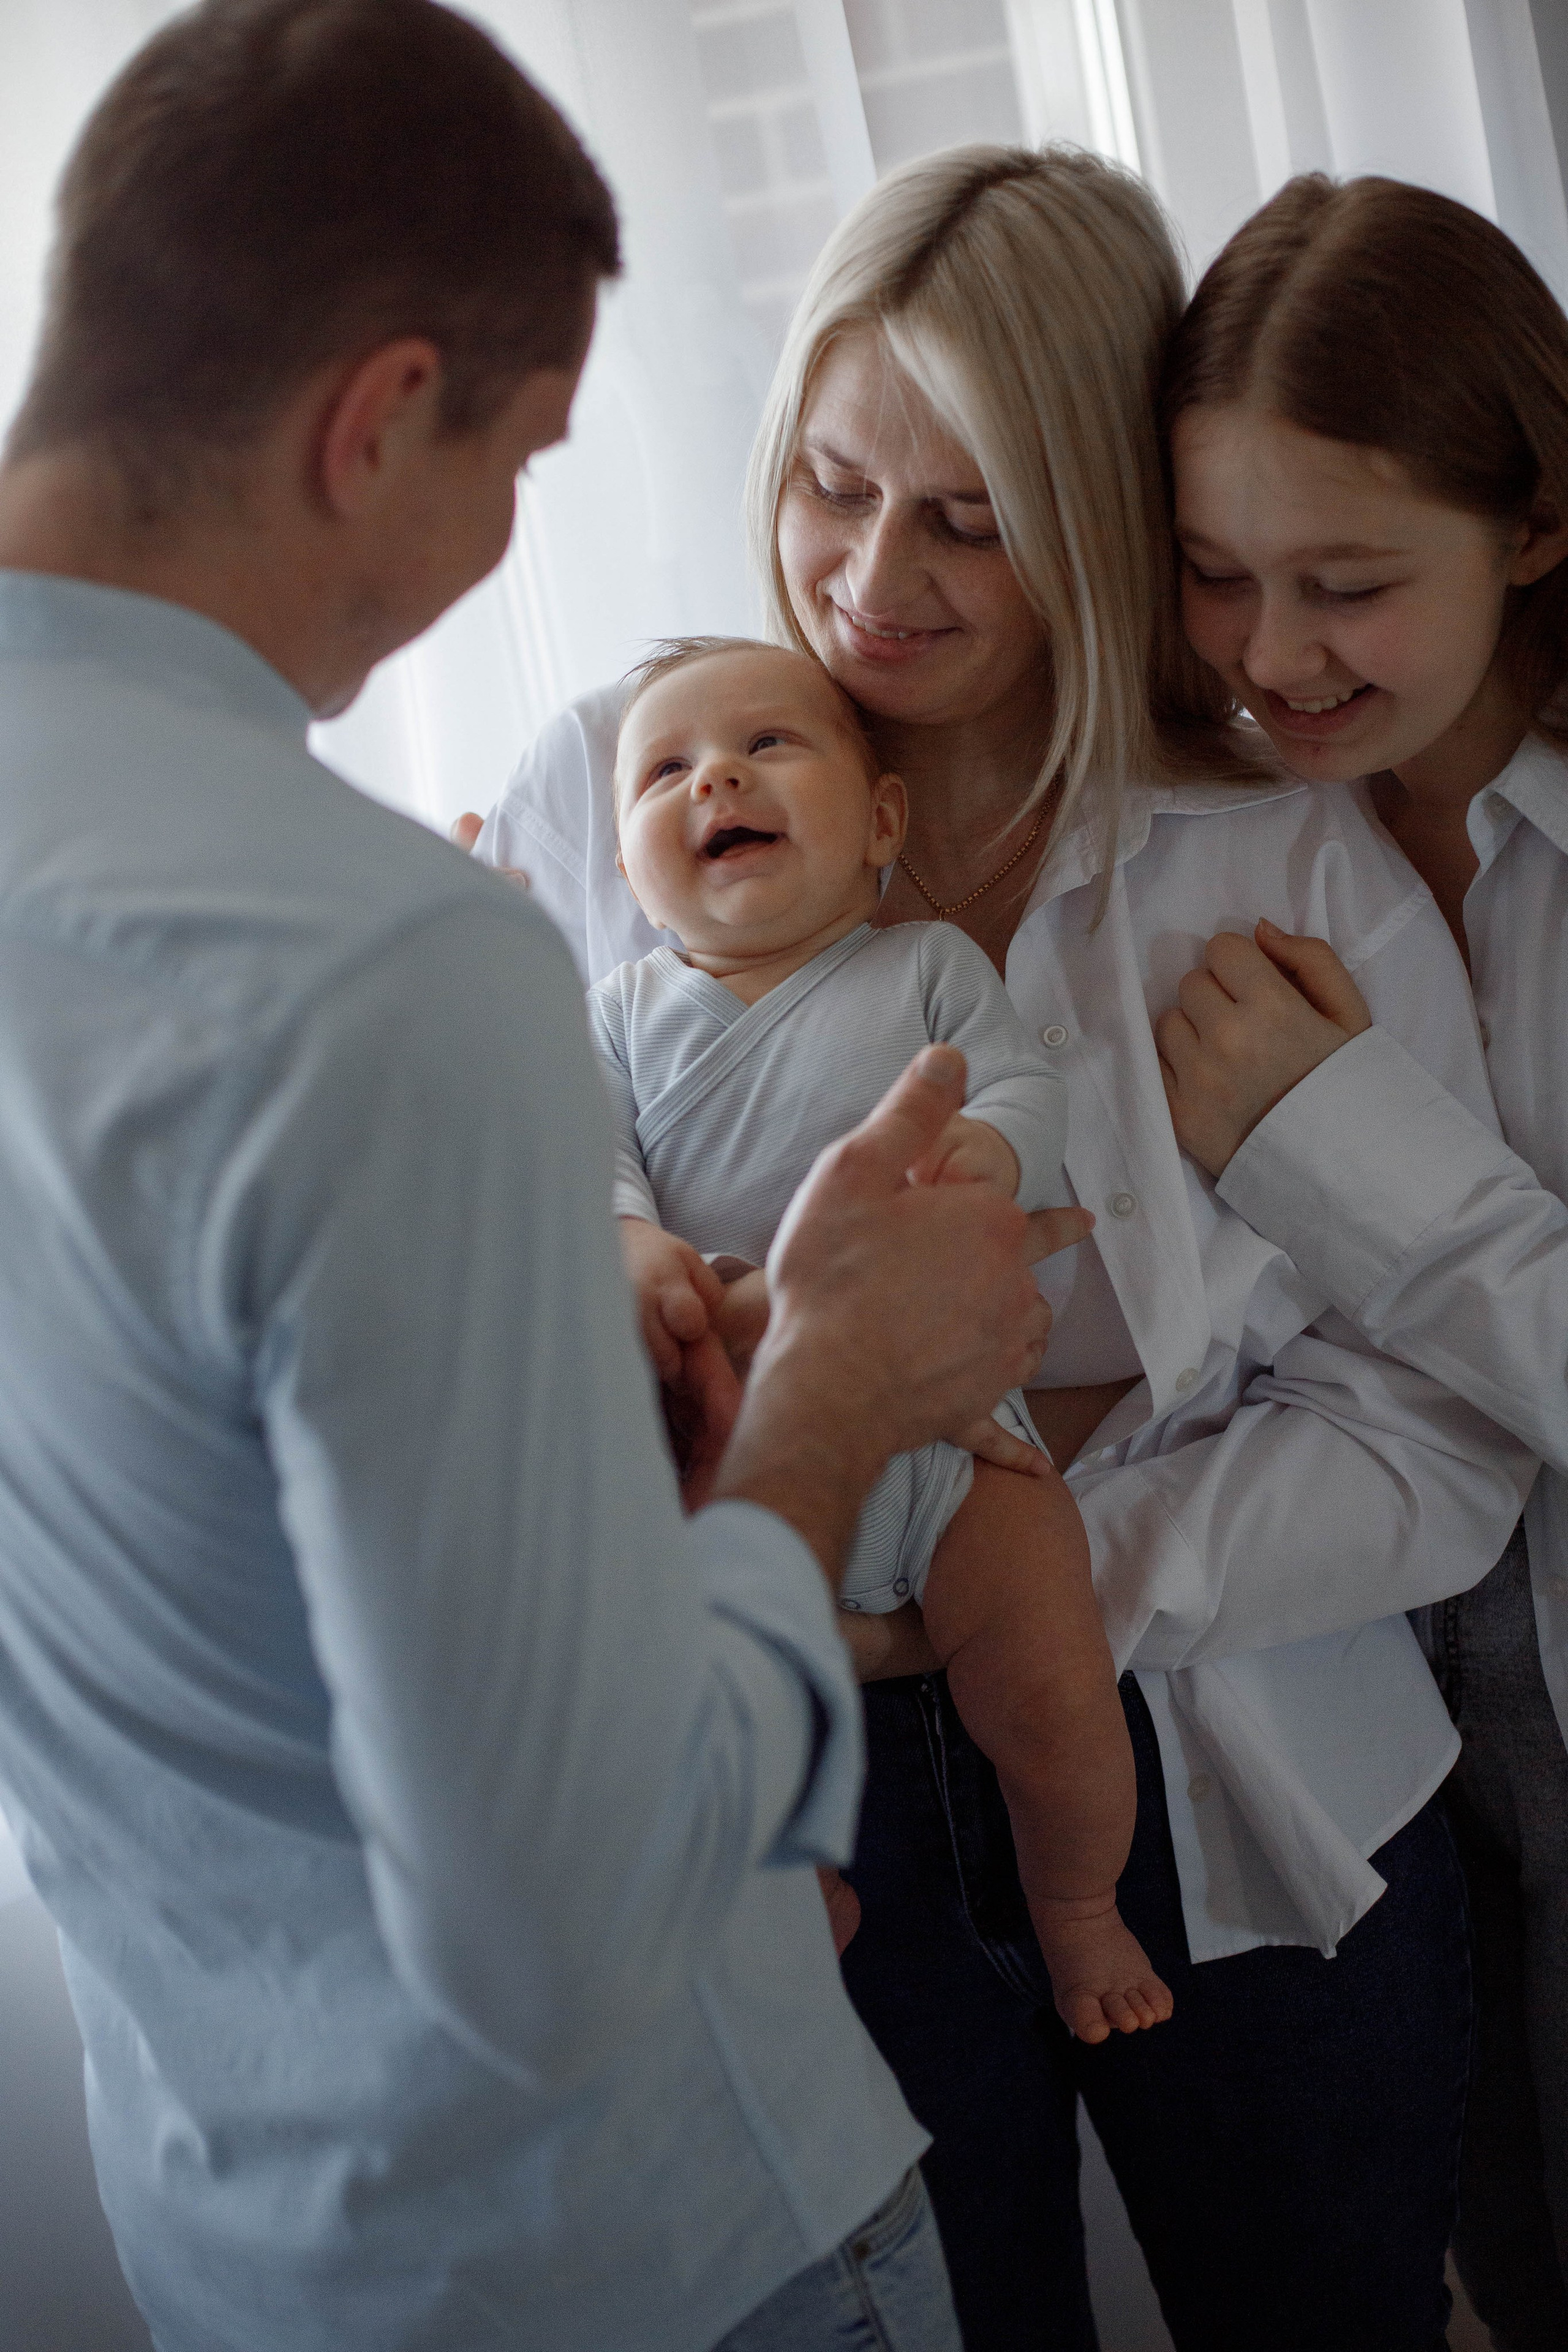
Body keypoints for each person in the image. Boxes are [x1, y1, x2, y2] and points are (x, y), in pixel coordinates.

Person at [0, 8, 1074, 2349]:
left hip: (246, 2227)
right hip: (650, 2235)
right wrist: (828, 1405)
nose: (501, 551)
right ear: (380, 417)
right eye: (518, 463)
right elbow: (557, 1932)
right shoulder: (384, 962)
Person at [470, 143, 1536, 2351]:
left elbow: (1438, 1439)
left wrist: (1034, 1575)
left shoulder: (1284, 860)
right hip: (802, 1797)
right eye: (833, 486)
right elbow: (498, 1176)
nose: (873, 581)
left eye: (972, 519)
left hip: (1254, 1790)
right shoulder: (614, 776)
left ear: (1102, 516)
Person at [1153, 175, 1568, 2352]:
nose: (1271, 656)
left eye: (1347, 584)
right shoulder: (1218, 843)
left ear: (1534, 524)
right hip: (1398, 1773)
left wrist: (1341, 1158)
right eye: (1219, 574)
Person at [600, 631, 1174, 2042]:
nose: (713, 776)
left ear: (881, 823)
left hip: (960, 1436)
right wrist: (625, 1239)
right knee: (710, 1707)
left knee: (1054, 1684)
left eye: (765, 745)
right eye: (664, 769)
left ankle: (1077, 1901)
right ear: (623, 867)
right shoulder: (616, 1018)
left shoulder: (922, 968)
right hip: (747, 1444)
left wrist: (985, 1148)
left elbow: (1021, 1087)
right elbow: (586, 1163)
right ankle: (789, 1897)